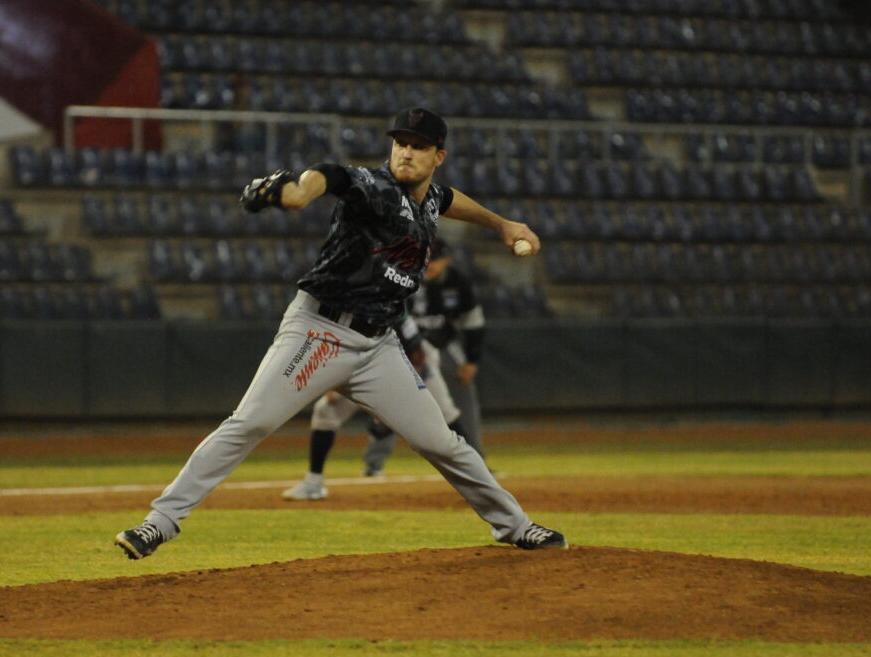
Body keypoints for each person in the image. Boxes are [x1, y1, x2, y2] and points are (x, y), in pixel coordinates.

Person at [115, 106, 568, 560]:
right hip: (320, 330)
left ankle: (516, 526)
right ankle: (159, 523)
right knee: (250, 421)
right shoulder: (374, 186)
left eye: (418, 146)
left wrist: (503, 224)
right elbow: (331, 176)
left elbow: (449, 201)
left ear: (438, 157)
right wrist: (296, 193)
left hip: (378, 346)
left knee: (442, 441)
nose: (406, 152)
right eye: (400, 143)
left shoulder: (429, 199)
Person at [280, 312, 470, 500]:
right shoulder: (339, 311)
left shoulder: (392, 309)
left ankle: (475, 473)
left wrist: (395, 400)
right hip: (361, 360)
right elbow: (331, 349)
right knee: (326, 411)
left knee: (445, 411)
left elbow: (417, 353)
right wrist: (332, 384)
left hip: (411, 364)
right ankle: (314, 483)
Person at [362, 237, 489, 475]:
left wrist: (471, 359)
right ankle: (374, 464)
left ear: (447, 260)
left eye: (437, 259)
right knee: (392, 400)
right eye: (428, 259)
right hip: (404, 347)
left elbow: (474, 321)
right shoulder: (403, 275)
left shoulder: (457, 281)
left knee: (463, 398)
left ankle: (477, 460)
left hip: (445, 345)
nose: (431, 264)